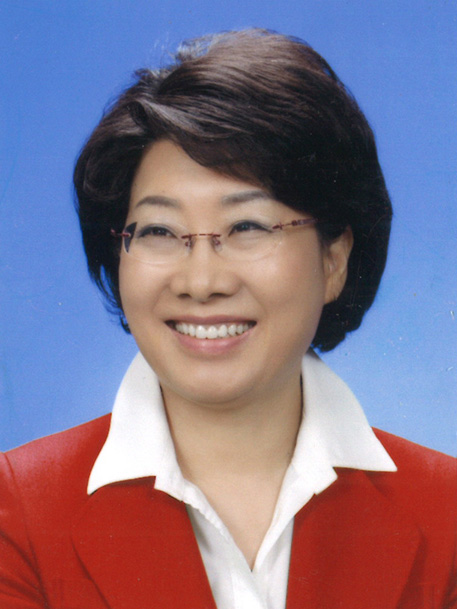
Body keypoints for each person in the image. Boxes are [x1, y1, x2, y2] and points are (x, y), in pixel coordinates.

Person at [0, 29, 455, 609]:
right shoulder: (18, 513)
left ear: (334, 259)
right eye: (160, 231)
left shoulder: (447, 515)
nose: (201, 281)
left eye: (247, 227)